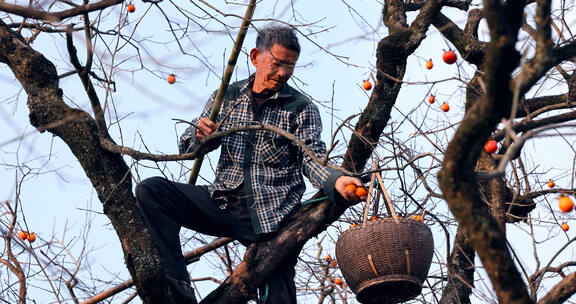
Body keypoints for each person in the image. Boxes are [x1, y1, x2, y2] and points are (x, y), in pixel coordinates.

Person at [135, 25, 366, 304]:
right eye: (277, 63)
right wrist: (199, 134)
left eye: (290, 66)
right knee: (152, 191)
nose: (282, 73)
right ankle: (178, 291)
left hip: (272, 217)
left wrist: (335, 181)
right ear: (256, 56)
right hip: (222, 202)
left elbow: (312, 157)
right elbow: (188, 148)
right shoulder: (228, 96)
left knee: (278, 296)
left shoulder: (300, 107)